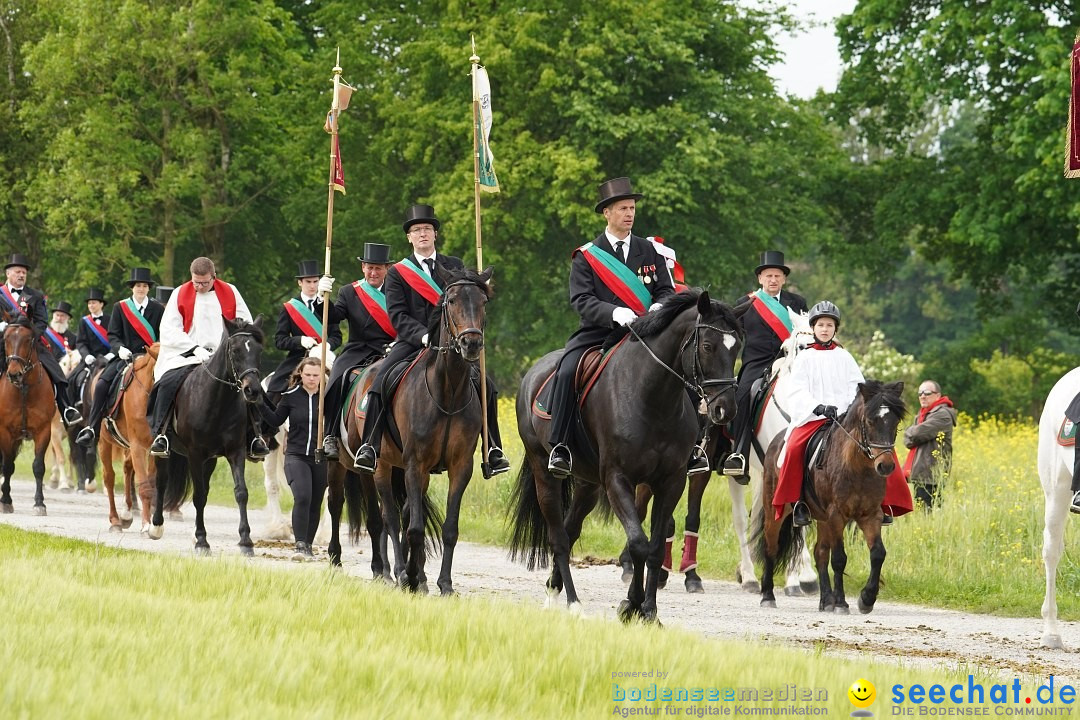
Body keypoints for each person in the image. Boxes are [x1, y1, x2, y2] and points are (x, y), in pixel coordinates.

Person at [351, 204, 510, 475]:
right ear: (409, 237)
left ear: (435, 234)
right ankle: (370, 445)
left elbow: (468, 305)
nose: (422, 234)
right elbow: (398, 315)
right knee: (380, 381)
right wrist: (423, 335)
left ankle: (492, 449)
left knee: (488, 386)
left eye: (427, 229)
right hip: (413, 342)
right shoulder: (398, 273)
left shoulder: (455, 265)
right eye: (416, 230)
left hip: (453, 345)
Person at [545, 177, 679, 478]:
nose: (629, 214)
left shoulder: (651, 251)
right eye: (622, 208)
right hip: (600, 331)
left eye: (632, 208)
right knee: (567, 370)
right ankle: (560, 445)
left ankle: (694, 444)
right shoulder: (587, 256)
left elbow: (666, 290)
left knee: (683, 361)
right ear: (607, 213)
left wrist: (659, 307)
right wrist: (614, 312)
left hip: (647, 331)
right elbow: (580, 299)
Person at [147, 256, 260, 458]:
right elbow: (169, 329)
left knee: (253, 384)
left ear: (213, 277)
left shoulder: (231, 292)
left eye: (204, 282)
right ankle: (161, 434)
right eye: (195, 282)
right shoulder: (179, 293)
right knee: (166, 384)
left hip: (224, 356)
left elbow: (246, 324)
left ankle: (255, 436)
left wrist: (230, 346)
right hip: (186, 355)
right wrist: (194, 348)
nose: (199, 286)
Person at [772, 301, 865, 527]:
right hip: (813, 417)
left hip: (843, 419)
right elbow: (797, 389)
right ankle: (798, 503)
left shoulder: (845, 357)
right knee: (793, 448)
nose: (825, 329)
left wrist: (848, 409)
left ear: (835, 329)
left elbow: (858, 386)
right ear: (813, 328)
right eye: (821, 324)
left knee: (877, 446)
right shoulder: (804, 358)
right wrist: (818, 407)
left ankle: (882, 502)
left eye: (829, 325)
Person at [722, 250, 808, 480]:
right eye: (768, 275)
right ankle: (739, 454)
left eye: (777, 276)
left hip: (790, 361)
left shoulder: (797, 302)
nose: (773, 280)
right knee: (742, 395)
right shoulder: (746, 303)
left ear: (784, 279)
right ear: (760, 278)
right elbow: (732, 338)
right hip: (756, 363)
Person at [318, 243, 396, 460]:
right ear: (363, 267)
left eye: (378, 268)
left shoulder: (397, 290)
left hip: (393, 347)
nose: (373, 273)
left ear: (386, 269)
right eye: (369, 267)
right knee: (337, 379)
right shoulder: (350, 292)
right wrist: (321, 297)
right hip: (359, 349)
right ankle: (330, 435)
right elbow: (334, 316)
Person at [76, 267, 165, 447]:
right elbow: (113, 335)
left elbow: (162, 334)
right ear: (132, 287)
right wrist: (119, 348)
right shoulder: (120, 307)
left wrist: (158, 350)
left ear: (149, 288)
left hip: (152, 358)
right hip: (126, 356)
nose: (141, 289)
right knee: (101, 384)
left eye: (145, 286)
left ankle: (166, 431)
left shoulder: (157, 308)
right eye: (138, 285)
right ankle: (92, 428)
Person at [0, 253, 83, 425]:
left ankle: (66, 408)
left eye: (24, 272)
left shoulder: (35, 295)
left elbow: (42, 321)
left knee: (56, 371)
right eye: (17, 272)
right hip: (3, 342)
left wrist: (30, 335)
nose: (21, 275)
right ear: (8, 273)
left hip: (30, 343)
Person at [259, 358, 327, 560]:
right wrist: (260, 403)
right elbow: (275, 420)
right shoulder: (290, 397)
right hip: (296, 455)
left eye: (316, 375)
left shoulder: (327, 398)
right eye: (308, 375)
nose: (312, 379)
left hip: (319, 457)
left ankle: (307, 546)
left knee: (315, 502)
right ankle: (299, 544)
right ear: (301, 374)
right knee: (303, 496)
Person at [266, 260, 342, 401]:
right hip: (298, 358)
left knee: (342, 387)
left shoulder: (327, 306)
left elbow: (337, 336)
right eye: (308, 282)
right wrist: (299, 340)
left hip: (325, 358)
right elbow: (279, 340)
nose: (312, 286)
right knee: (274, 390)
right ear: (300, 283)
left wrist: (326, 345)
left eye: (315, 281)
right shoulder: (289, 307)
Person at [902, 380, 956, 509]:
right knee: (923, 512)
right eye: (920, 393)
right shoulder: (922, 415)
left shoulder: (942, 415)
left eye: (927, 392)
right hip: (922, 472)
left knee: (929, 513)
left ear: (937, 395)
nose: (922, 396)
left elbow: (914, 435)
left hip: (932, 474)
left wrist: (909, 432)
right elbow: (908, 441)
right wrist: (910, 434)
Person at [68, 286, 112, 408]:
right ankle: (72, 409)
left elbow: (115, 339)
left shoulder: (111, 319)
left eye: (94, 303)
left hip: (108, 359)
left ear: (101, 304)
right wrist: (86, 355)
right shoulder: (84, 321)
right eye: (89, 303)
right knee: (72, 379)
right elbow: (80, 342)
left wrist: (112, 353)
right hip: (89, 359)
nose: (91, 305)